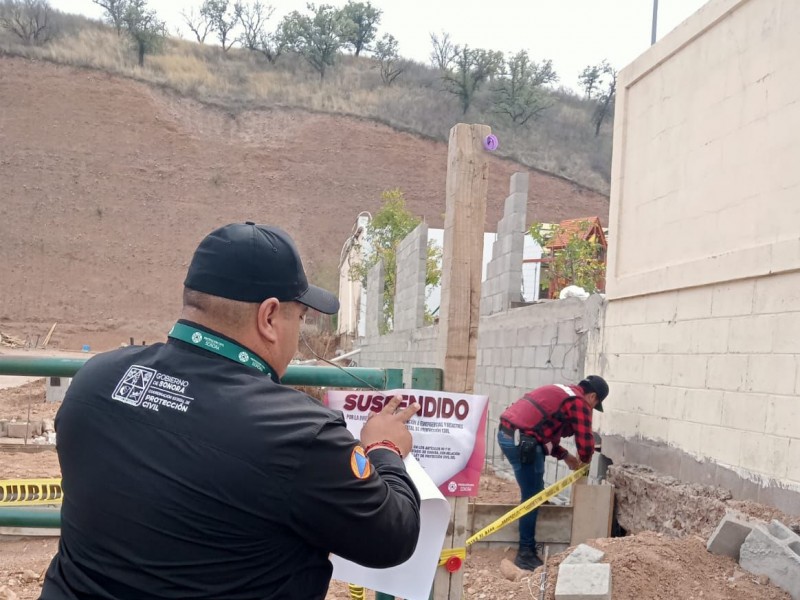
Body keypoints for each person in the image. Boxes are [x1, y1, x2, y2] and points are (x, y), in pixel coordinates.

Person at [41, 222, 422, 600]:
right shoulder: (299, 434)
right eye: (300, 317)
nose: (298, 330)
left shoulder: (96, 379)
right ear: (270, 317)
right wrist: (384, 447)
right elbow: (392, 537)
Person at [497, 375, 609, 570]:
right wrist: (585, 459)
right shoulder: (579, 402)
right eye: (595, 405)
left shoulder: (563, 392)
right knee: (532, 497)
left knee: (536, 490)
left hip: (511, 435)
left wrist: (565, 455)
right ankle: (525, 553)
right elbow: (585, 444)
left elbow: (542, 435)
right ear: (592, 397)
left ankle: (536, 510)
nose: (591, 409)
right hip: (523, 442)